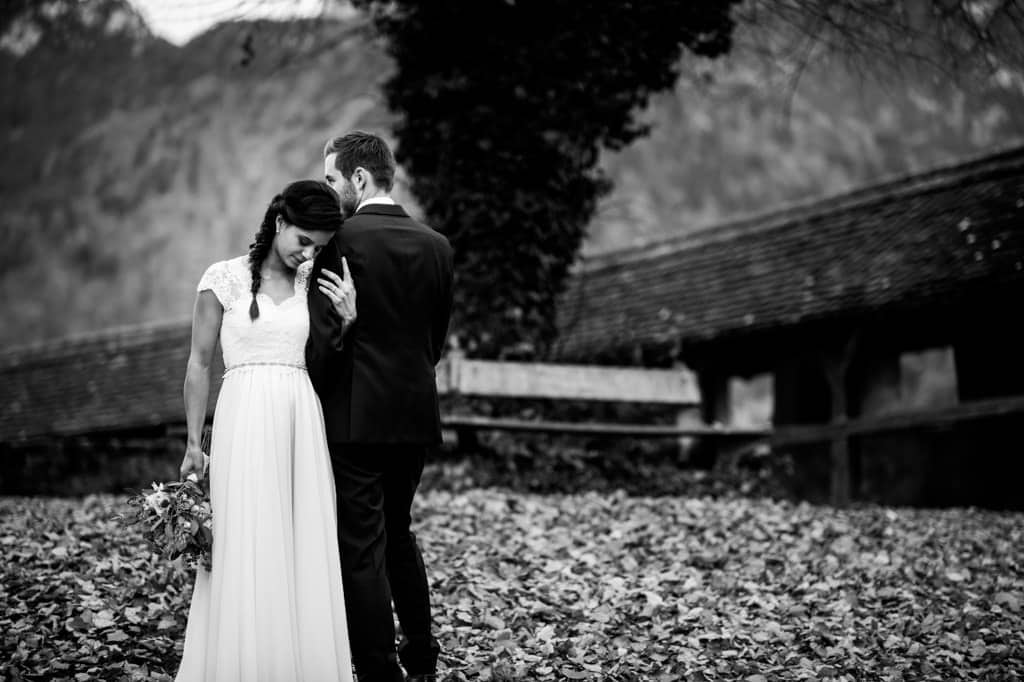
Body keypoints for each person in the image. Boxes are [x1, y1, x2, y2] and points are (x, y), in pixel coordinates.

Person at [176, 180, 357, 682]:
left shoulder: (315, 286)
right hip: (243, 418)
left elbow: (328, 364)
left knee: (300, 537)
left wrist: (345, 322)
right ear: (279, 223)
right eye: (303, 240)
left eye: (318, 246)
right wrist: (195, 441)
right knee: (244, 538)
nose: (309, 254)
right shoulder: (223, 279)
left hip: (300, 418)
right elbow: (198, 363)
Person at [307, 131, 454, 682]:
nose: (329, 191)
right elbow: (432, 344)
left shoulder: (338, 242)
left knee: (362, 545)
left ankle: (378, 668)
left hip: (355, 420)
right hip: (414, 417)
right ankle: (421, 652)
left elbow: (324, 341)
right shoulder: (437, 246)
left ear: (359, 179)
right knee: (399, 531)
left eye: (332, 180)